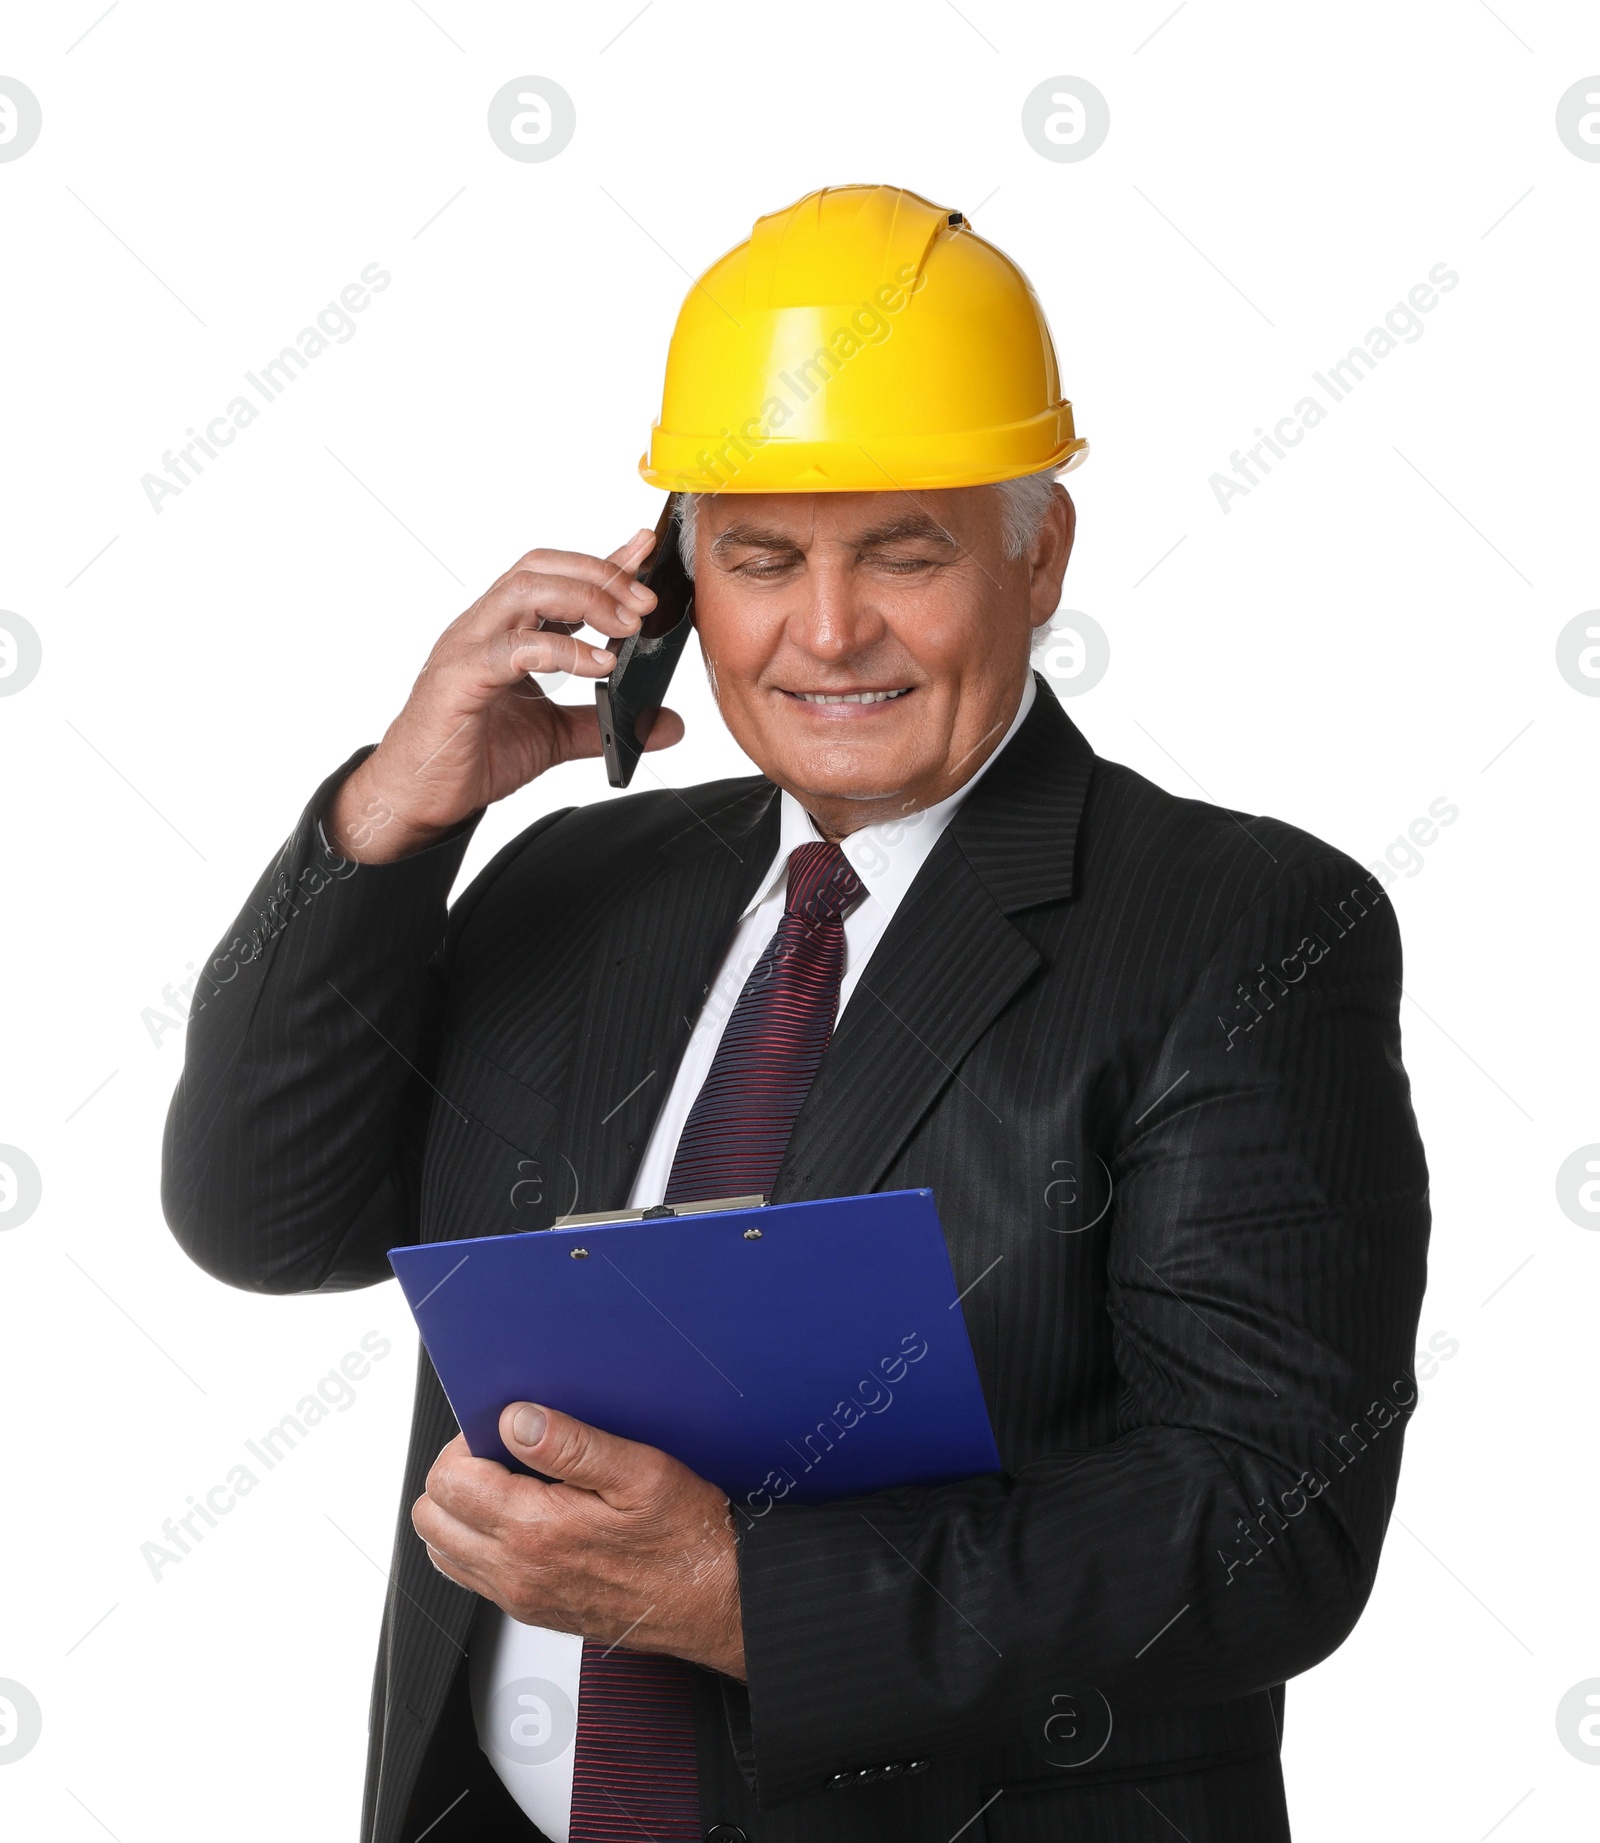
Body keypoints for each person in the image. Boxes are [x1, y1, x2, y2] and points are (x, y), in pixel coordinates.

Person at [162, 184, 1430, 1843]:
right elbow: (266, 1222)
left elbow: (1272, 1519)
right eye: (761, 560)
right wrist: (397, 817)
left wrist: (740, 1595)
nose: (827, 633)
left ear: (1037, 554)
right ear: (674, 585)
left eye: (905, 552)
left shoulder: (1237, 927)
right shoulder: (574, 888)